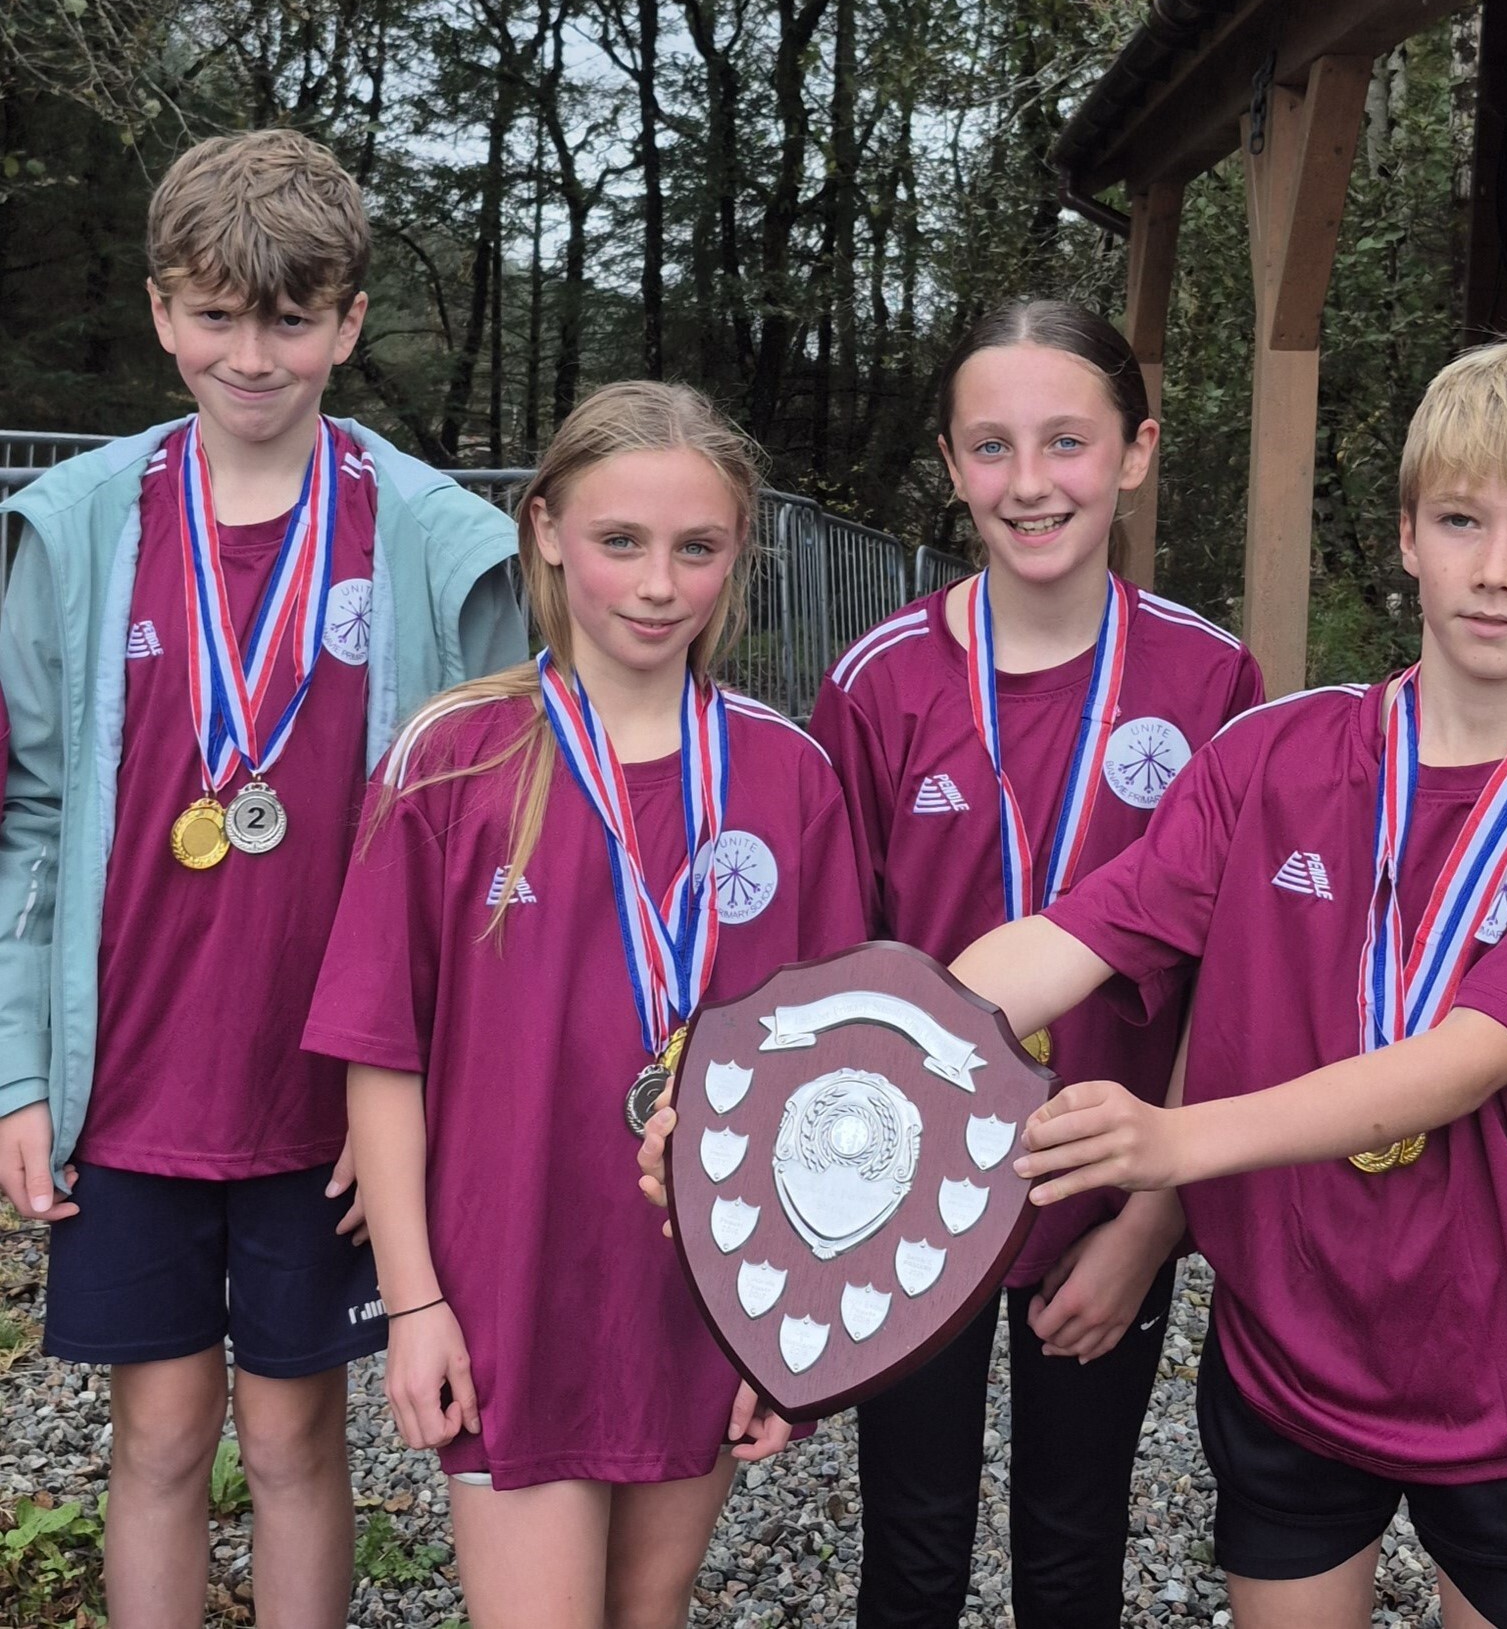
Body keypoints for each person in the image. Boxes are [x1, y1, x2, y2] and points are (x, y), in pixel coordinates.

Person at [947, 339, 1507, 1629]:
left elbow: (1465, 1056)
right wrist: (832, 1059)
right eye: (1460, 520)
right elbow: (1063, 939)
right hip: (1287, 1349)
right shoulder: (1271, 753)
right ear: (1407, 535)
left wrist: (1170, 1143)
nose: (1493, 568)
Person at [0, 129, 525, 1628]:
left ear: (349, 323)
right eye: (216, 314)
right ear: (162, 313)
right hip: (134, 1082)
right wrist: (18, 1077)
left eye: (290, 318)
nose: (252, 352)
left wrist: (418, 1091)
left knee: (299, 1439)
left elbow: (487, 857)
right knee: (156, 1437)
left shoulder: (437, 545)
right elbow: (31, 815)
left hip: (332, 1099)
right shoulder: (78, 528)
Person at [303, 381, 868, 1629]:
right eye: (620, 541)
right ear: (547, 528)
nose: (658, 583)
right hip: (509, 1284)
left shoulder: (787, 773)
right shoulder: (451, 757)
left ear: (737, 551)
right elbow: (382, 1053)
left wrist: (791, 1333)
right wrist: (413, 1301)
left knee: (645, 1609)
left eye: (696, 547)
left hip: (704, 1300)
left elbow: (834, 1083)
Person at [804, 299, 1263, 1628]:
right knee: (912, 1543)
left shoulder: (1207, 679)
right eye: (989, 447)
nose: (1027, 482)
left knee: (1073, 1548)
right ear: (949, 466)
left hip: (1107, 1184)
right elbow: (838, 977)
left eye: (1064, 442)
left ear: (1131, 453)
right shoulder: (876, 684)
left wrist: (1151, 1223)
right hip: (907, 1193)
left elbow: (1236, 984)